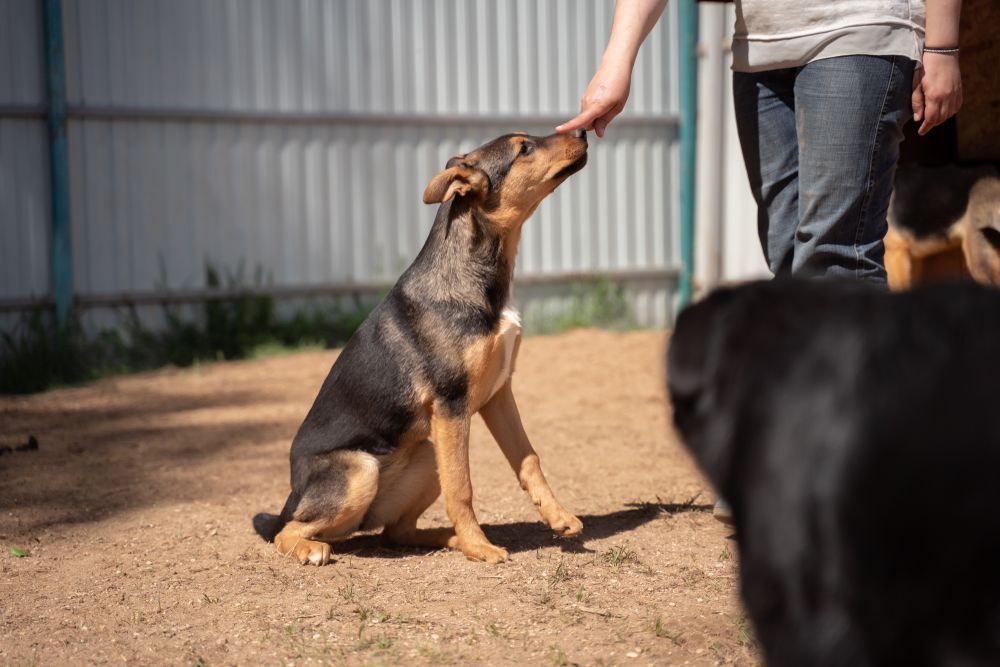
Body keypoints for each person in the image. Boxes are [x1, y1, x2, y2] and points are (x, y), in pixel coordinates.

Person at [558, 0, 963, 520]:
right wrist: (617, 59)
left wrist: (944, 44)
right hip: (761, 47)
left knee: (836, 255)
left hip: (861, 26)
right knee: (789, 256)